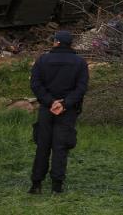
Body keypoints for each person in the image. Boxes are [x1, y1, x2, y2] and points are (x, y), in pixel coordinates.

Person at [29, 31, 89, 194]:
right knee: (60, 146)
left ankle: (36, 184)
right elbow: (81, 88)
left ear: (56, 42)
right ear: (70, 44)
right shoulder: (80, 62)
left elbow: (35, 84)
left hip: (47, 109)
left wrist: (50, 102)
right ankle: (57, 185)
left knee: (43, 146)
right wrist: (65, 103)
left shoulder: (43, 60)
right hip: (67, 110)